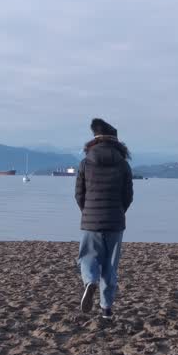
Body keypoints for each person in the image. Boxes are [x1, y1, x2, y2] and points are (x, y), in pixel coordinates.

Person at [75, 118, 134, 320]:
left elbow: (79, 194)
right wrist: (119, 211)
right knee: (110, 266)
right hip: (115, 221)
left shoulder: (85, 163)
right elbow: (128, 196)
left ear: (95, 140)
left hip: (91, 220)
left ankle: (90, 281)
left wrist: (87, 212)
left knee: (87, 257)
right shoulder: (123, 165)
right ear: (116, 141)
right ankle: (106, 309)